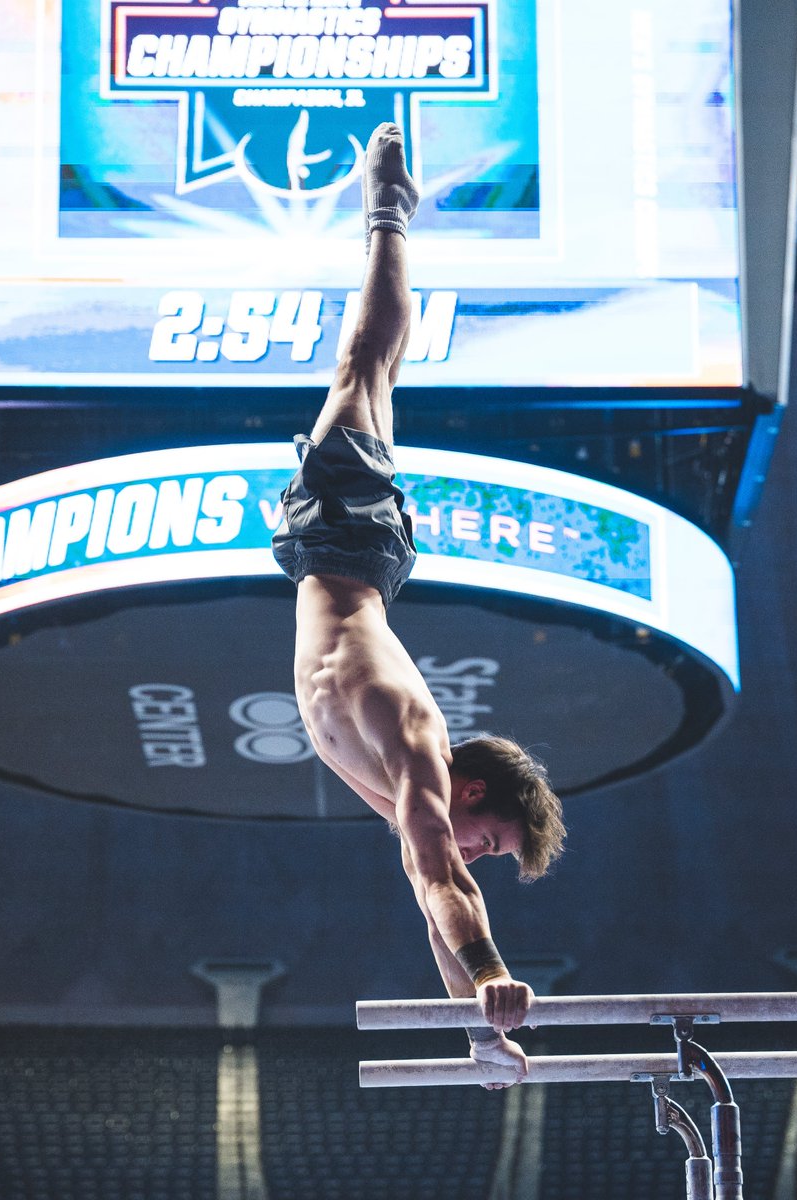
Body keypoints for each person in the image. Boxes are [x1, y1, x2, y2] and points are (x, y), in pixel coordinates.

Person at [272, 123, 566, 1087]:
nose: (477, 853)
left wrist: (483, 1031)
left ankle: (391, 217)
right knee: (366, 361)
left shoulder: (408, 800)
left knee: (377, 370)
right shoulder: (415, 743)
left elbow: (429, 889)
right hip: (346, 546)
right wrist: (493, 971)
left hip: (344, 556)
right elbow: (446, 879)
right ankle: (387, 211)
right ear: (473, 792)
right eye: (495, 841)